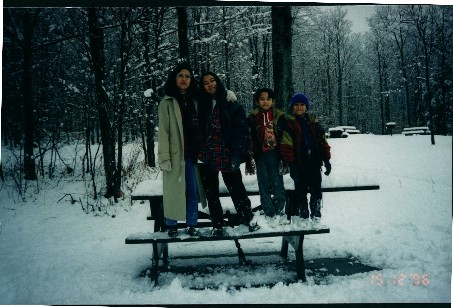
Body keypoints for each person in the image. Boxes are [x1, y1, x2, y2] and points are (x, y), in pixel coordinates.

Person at [198, 71, 260, 236]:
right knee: (211, 192)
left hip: (227, 153)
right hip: (207, 153)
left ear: (217, 82)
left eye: (212, 81)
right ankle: (217, 224)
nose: (210, 84)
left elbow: (241, 131)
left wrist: (238, 152)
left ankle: (247, 217)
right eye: (206, 82)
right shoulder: (200, 104)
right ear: (202, 87)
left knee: (237, 188)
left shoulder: (231, 103)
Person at [157, 62, 206, 237]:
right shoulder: (167, 102)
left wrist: (229, 96)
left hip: (193, 155)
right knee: (173, 192)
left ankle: (192, 224)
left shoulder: (195, 99)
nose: (184, 79)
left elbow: (215, 102)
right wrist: (164, 156)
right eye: (180, 75)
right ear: (174, 78)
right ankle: (171, 225)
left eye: (187, 76)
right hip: (175, 155)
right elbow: (163, 131)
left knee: (192, 192)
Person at [281, 93, 331, 221]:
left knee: (316, 189)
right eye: (296, 105)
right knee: (300, 190)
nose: (299, 107)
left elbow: (322, 142)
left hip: (314, 163)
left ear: (306, 107)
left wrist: (327, 160)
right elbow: (287, 146)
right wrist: (291, 165)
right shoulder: (289, 124)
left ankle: (316, 213)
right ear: (292, 107)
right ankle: (303, 214)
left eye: (302, 105)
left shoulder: (314, 123)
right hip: (299, 164)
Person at [246, 88, 290, 225]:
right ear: (257, 101)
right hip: (261, 156)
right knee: (263, 185)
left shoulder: (279, 116)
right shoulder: (253, 118)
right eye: (262, 99)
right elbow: (249, 137)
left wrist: (285, 155)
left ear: (273, 101)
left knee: (278, 185)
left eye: (268, 99)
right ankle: (269, 213)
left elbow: (285, 136)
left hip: (276, 155)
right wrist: (250, 154)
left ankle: (279, 211)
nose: (265, 102)